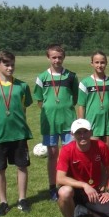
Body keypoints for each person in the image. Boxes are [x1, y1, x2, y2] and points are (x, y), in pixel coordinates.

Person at [0, 50, 33, 216]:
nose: (10, 68)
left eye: (12, 64)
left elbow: (23, 108)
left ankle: (22, 199)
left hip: (19, 134)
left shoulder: (22, 86)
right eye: (6, 65)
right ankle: (3, 202)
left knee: (22, 166)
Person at [56, 119, 109, 217]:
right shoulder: (66, 150)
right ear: (72, 134)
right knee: (64, 192)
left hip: (94, 191)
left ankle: (87, 210)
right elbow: (60, 178)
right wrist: (84, 185)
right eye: (78, 132)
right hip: (75, 190)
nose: (82, 135)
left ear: (91, 132)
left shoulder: (100, 146)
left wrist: (106, 189)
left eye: (85, 132)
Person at [34, 44, 79, 201]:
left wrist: (64, 109)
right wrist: (50, 110)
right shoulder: (42, 77)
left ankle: (69, 186)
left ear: (64, 57)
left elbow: (75, 98)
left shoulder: (71, 76)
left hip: (68, 122)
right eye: (54, 57)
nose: (57, 60)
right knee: (53, 155)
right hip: (50, 123)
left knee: (70, 155)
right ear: (48, 58)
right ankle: (53, 186)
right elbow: (39, 100)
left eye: (59, 57)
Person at [77, 51, 109, 149]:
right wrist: (82, 125)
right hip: (92, 123)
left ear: (106, 63)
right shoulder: (85, 83)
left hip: (108, 124)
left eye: (102, 62)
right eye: (97, 62)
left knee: (106, 154)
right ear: (92, 63)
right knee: (93, 154)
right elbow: (81, 105)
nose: (100, 65)